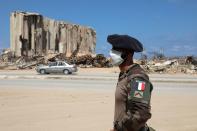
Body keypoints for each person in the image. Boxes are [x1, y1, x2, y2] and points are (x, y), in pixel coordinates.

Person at [107, 34, 155, 131]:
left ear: (129, 54)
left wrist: (120, 129)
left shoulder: (138, 78)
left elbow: (141, 113)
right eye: (113, 49)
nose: (112, 53)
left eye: (117, 50)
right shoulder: (124, 74)